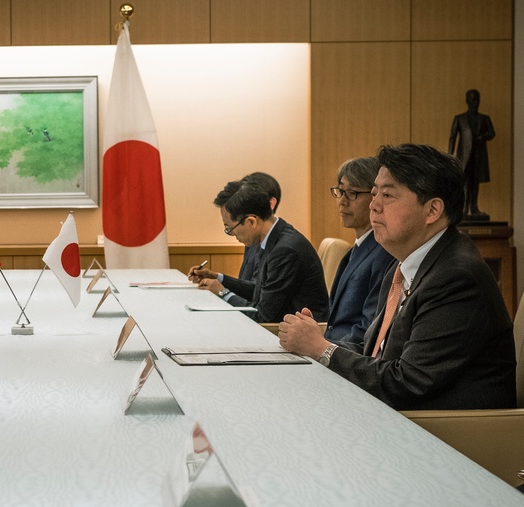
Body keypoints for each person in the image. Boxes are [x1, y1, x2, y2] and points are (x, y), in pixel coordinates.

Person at [278, 143, 515, 411]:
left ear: (433, 210)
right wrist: (317, 344)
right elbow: (376, 351)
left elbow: (407, 383)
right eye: (375, 193)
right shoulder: (404, 265)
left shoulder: (456, 277)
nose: (374, 205)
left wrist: (323, 349)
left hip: (448, 433)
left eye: (388, 196)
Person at [191, 180, 328, 323]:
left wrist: (222, 293)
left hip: (295, 334)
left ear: (251, 221)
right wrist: (218, 278)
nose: (233, 234)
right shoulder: (274, 237)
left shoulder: (285, 251)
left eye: (230, 228)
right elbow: (259, 291)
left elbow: (262, 316)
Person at [324, 157, 393, 345]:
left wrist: (321, 349)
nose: (342, 201)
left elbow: (368, 330)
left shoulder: (384, 252)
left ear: (375, 197)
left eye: (352, 193)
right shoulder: (358, 247)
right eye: (340, 191)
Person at [448, 89, 495, 219]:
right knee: (464, 182)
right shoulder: (460, 118)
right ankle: (463, 208)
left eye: (476, 100)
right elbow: (452, 138)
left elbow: (492, 133)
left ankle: (474, 208)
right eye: (472, 100)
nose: (474, 103)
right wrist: (450, 157)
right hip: (464, 156)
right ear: (467, 101)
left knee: (475, 182)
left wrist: (483, 136)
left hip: (479, 156)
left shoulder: (484, 119)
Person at [238, 172, 282, 282]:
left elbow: (257, 293)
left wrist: (223, 291)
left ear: (271, 203)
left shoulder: (281, 247)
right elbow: (246, 284)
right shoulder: (253, 237)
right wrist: (220, 279)